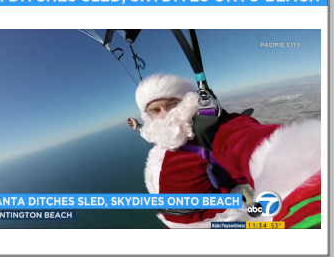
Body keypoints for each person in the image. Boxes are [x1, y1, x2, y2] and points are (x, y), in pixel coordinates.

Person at [127, 73, 321, 229]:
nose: (165, 115)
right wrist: (138, 127)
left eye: (172, 104)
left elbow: (250, 143)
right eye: (155, 110)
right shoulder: (162, 134)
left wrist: (308, 187)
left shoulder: (208, 133)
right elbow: (157, 134)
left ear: (186, 104)